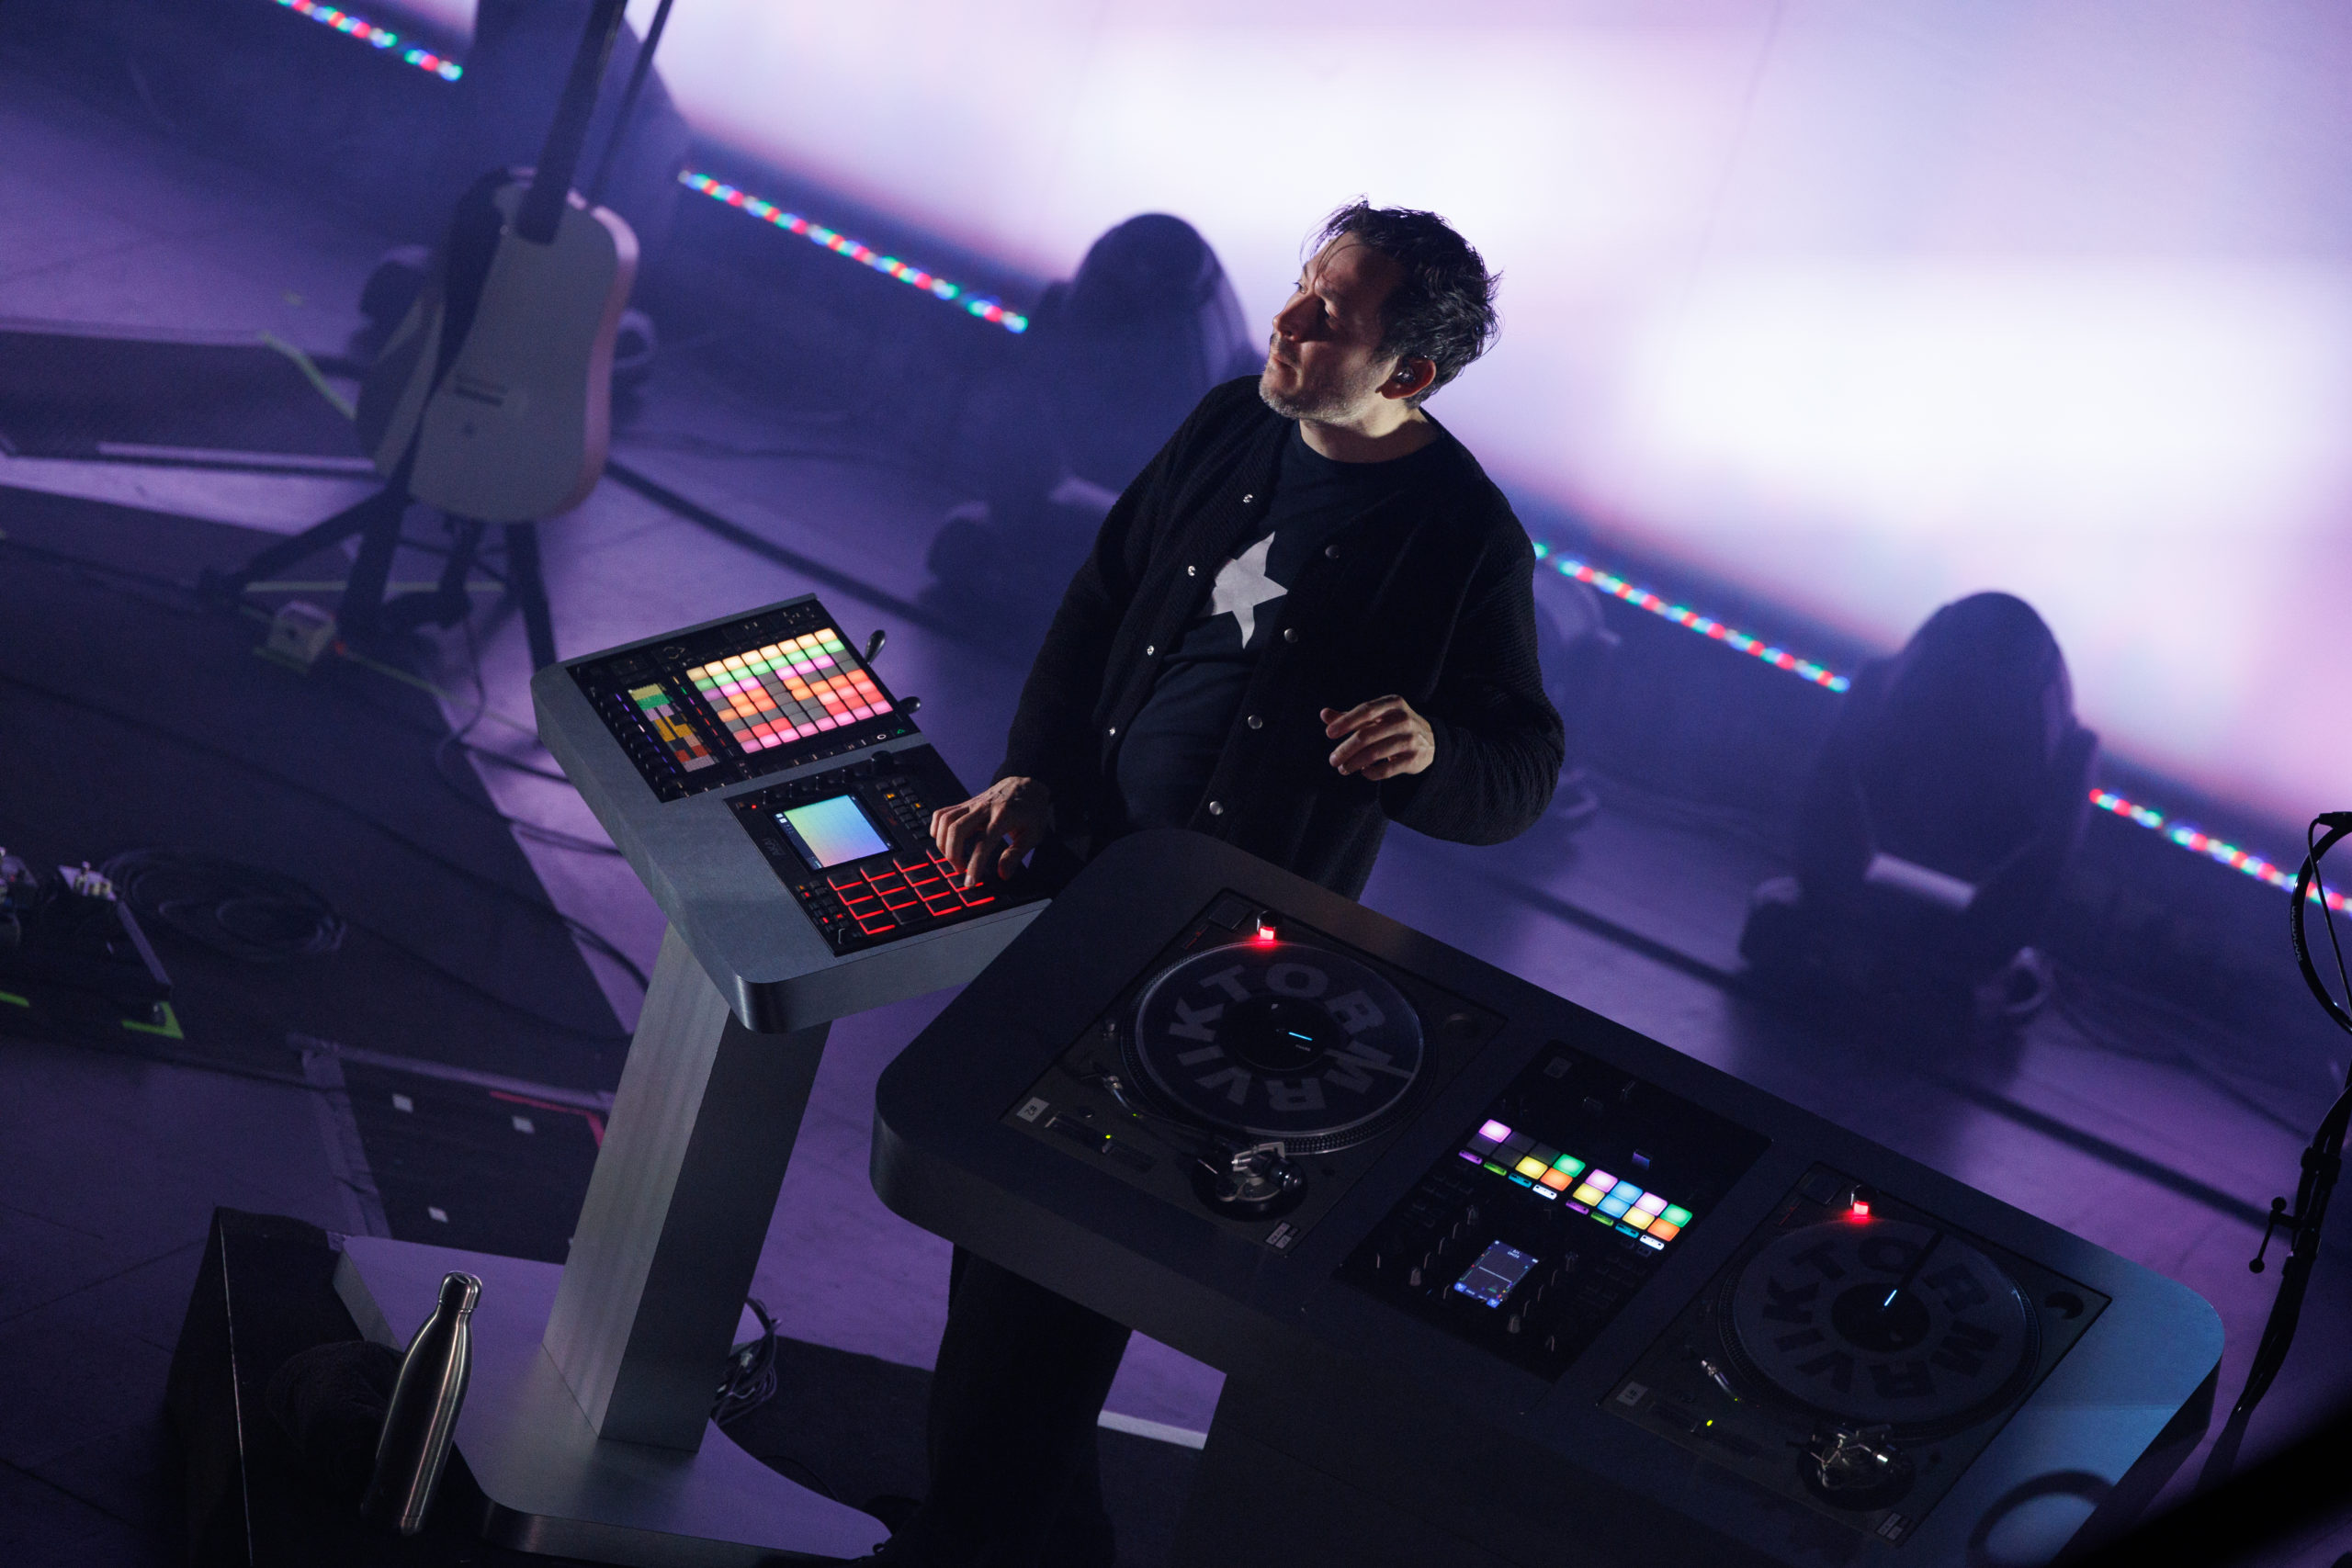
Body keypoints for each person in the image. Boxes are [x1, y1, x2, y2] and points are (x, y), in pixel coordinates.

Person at [879, 202, 1564, 1567]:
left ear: (1411, 372)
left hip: (1216, 961)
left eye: (1331, 316)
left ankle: (969, 1547)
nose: (1288, 323)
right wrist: (1031, 773)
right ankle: (1038, 1541)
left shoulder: (1463, 536)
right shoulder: (1226, 425)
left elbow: (1521, 769)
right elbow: (1100, 606)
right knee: (1009, 1245)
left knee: (1060, 1263)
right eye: (1301, 288)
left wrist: (1433, 752)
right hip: (1087, 889)